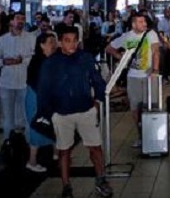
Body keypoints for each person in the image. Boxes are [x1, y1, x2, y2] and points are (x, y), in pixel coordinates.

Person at [38, 26, 111, 198]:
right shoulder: (51, 63)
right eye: (67, 40)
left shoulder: (85, 58)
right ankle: (66, 186)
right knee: (64, 150)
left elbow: (97, 81)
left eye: (74, 40)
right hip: (61, 113)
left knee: (95, 147)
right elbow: (43, 89)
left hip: (86, 110)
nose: (71, 44)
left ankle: (100, 180)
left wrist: (98, 101)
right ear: (60, 42)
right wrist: (49, 112)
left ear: (78, 41)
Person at [105, 12, 160, 149]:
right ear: (133, 24)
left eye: (145, 21)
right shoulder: (127, 36)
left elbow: (155, 52)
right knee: (135, 108)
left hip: (148, 76)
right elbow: (109, 48)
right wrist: (121, 58)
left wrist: (155, 70)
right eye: (141, 22)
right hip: (133, 76)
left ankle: (154, 135)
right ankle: (141, 136)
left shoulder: (150, 34)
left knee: (152, 106)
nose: (144, 24)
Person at [0, 12, 34, 140]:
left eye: (23, 19)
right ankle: (7, 143)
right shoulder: (3, 39)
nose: (20, 21)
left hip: (23, 81)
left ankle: (27, 144)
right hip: (6, 82)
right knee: (7, 116)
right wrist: (4, 61)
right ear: (12, 21)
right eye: (18, 18)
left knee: (26, 114)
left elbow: (32, 56)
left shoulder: (31, 38)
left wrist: (21, 61)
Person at [25, 32, 57, 172]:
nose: (54, 45)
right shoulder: (38, 61)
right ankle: (32, 161)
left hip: (47, 97)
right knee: (37, 126)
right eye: (50, 42)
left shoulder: (51, 60)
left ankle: (56, 153)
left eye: (54, 42)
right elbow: (38, 83)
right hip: (36, 97)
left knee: (55, 125)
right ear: (42, 45)